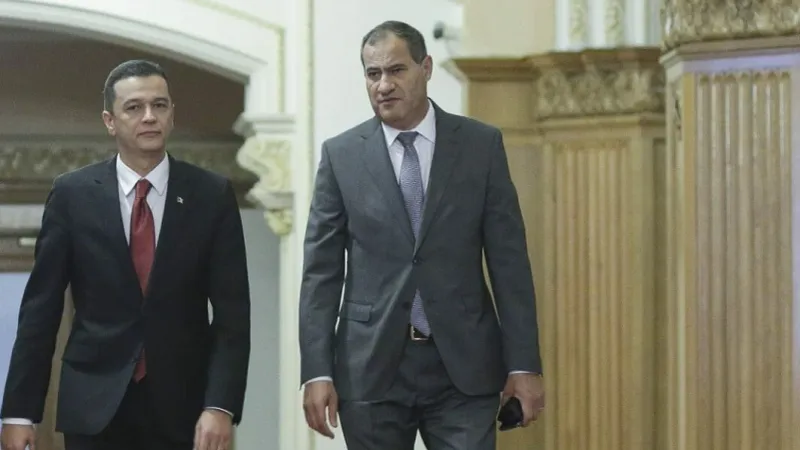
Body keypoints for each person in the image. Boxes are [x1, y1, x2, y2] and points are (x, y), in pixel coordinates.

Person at [299, 20, 545, 450]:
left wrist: (524, 364)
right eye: (373, 74)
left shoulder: (480, 146)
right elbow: (320, 273)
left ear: (426, 67)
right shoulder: (341, 156)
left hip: (463, 366)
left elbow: (509, 264)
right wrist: (317, 371)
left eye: (396, 70)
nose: (383, 85)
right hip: (370, 366)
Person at [0, 59, 251, 450]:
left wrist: (220, 405)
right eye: (134, 107)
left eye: (159, 105)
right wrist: (19, 413)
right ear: (110, 121)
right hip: (94, 407)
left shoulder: (211, 195)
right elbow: (40, 311)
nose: (149, 116)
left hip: (185, 408)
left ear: (172, 115)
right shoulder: (72, 195)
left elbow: (233, 315)